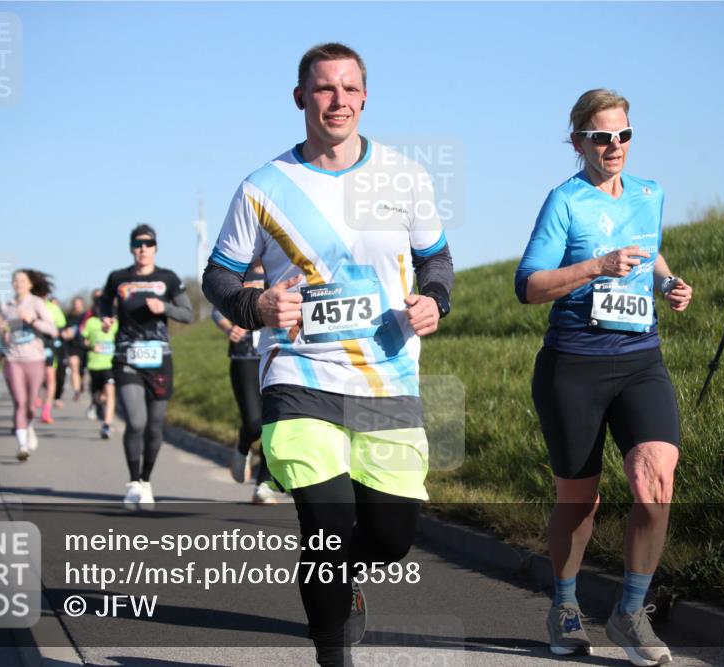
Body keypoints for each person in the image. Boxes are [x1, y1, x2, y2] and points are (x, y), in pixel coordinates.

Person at [204, 43, 453, 667]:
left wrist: (436, 302)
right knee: (328, 528)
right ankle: (332, 654)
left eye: (348, 89)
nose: (337, 100)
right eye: (323, 88)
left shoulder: (406, 177)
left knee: (392, 539)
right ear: (300, 98)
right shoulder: (263, 187)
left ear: (365, 97)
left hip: (389, 375)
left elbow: (437, 259)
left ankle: (343, 584)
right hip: (299, 373)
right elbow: (218, 276)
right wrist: (256, 307)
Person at [515, 89, 693, 666]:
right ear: (578, 142)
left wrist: (667, 283)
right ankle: (565, 605)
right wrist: (596, 265)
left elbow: (651, 251)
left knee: (656, 480)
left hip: (641, 357)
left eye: (622, 135)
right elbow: (529, 285)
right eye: (599, 137)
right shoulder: (564, 202)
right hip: (575, 364)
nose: (613, 146)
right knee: (581, 501)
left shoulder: (650, 193)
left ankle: (630, 610)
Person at [100, 224, 193, 510]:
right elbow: (105, 304)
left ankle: (146, 480)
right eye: (138, 243)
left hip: (159, 358)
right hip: (127, 357)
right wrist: (106, 318)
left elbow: (187, 314)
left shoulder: (168, 278)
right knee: (136, 421)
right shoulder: (118, 278)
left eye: (148, 243)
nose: (143, 248)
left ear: (155, 247)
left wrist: (164, 308)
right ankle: (133, 484)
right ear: (131, 247)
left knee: (154, 426)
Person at [210, 261, 276, 504]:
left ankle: (263, 486)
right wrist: (229, 328)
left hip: (275, 355)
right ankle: (243, 445)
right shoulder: (238, 272)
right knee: (254, 422)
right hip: (244, 357)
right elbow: (217, 309)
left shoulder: (280, 266)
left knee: (274, 424)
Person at [0, 269, 59, 461]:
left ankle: (29, 425)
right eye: (15, 280)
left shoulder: (37, 303)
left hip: (34, 359)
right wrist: (3, 334)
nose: (19, 283)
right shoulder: (6, 307)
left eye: (23, 280)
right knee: (20, 402)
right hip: (13, 359)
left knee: (31, 405)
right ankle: (22, 445)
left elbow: (53, 330)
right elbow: (2, 339)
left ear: (30, 284)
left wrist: (31, 320)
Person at [81, 291, 118, 440]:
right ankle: (95, 404)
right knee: (97, 396)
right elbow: (83, 340)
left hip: (110, 364)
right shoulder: (91, 322)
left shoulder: (116, 322)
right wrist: (91, 347)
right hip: (94, 364)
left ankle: (106, 426)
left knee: (110, 394)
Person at [39, 296, 67, 423]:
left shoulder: (53, 308)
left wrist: (55, 330)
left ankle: (46, 411)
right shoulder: (27, 305)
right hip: (32, 347)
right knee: (37, 377)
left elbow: (61, 326)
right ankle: (34, 398)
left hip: (49, 346)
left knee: (50, 377)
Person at [63, 296, 89, 400]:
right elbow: (64, 329)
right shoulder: (69, 316)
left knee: (82, 369)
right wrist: (65, 333)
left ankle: (81, 384)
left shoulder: (87, 315)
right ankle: (77, 390)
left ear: (82, 304)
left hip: (84, 345)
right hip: (72, 345)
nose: (76, 305)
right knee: (74, 367)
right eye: (75, 303)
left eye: (78, 303)